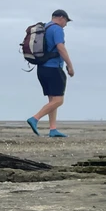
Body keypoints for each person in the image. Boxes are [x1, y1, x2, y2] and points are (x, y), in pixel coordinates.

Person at [27, 9, 74, 138]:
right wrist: (70, 65)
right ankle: (35, 118)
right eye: (66, 21)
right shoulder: (57, 29)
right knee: (59, 100)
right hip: (53, 68)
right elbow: (60, 47)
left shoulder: (45, 28)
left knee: (52, 99)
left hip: (42, 68)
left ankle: (53, 129)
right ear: (61, 18)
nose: (66, 24)